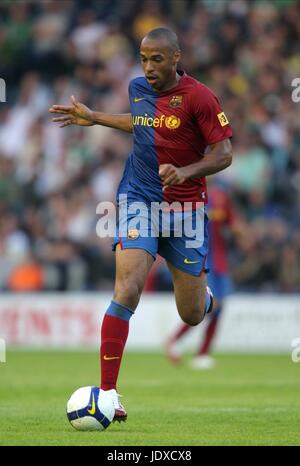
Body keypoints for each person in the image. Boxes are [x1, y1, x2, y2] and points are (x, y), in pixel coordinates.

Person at [49, 28, 233, 423]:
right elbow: (143, 122)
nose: (148, 67)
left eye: (157, 59)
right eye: (143, 58)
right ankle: (109, 394)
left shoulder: (200, 97)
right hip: (139, 200)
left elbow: (224, 153)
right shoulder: (137, 87)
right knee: (127, 288)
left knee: (192, 314)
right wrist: (94, 117)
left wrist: (186, 172)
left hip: (185, 211)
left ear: (176, 57)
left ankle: (205, 299)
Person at [165, 179, 242, 369]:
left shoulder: (221, 197)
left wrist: (239, 233)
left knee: (219, 307)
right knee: (209, 305)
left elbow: (232, 224)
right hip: (200, 256)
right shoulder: (188, 195)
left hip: (220, 260)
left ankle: (201, 353)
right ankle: (177, 341)